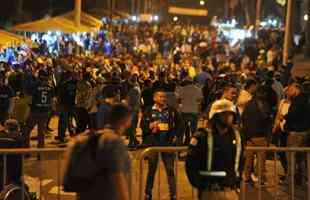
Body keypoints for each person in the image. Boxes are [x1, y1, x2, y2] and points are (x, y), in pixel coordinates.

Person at [185, 99, 242, 200]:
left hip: (231, 191)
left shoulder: (237, 137)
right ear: (215, 116)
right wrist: (199, 185)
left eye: (231, 114)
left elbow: (240, 161)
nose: (228, 117)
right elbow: (190, 163)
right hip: (210, 191)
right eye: (224, 114)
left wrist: (237, 182)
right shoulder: (202, 136)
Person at [75, 104, 132, 200]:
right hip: (106, 194)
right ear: (125, 120)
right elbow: (118, 176)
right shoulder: (114, 141)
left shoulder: (94, 136)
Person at [140, 89, 184, 200]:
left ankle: (173, 194)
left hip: (167, 145)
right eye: (160, 96)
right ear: (154, 98)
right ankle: (148, 193)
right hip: (153, 146)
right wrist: (150, 127)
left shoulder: (171, 110)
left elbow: (180, 124)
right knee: (151, 170)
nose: (163, 99)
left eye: (164, 97)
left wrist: (175, 137)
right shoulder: (149, 110)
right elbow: (143, 125)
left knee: (170, 170)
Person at [242, 85, 273, 184]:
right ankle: (260, 178)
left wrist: (246, 136)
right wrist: (268, 137)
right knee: (261, 160)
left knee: (249, 159)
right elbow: (268, 121)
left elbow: (244, 119)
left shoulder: (248, 104)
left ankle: (247, 177)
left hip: (250, 136)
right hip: (261, 136)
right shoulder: (265, 105)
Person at [284, 82, 310, 185]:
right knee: (301, 157)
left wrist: (285, 116)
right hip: (304, 131)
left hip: (296, 132)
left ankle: (290, 179)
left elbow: (294, 114)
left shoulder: (298, 101)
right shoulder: (305, 99)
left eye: (290, 90)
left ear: (296, 89)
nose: (288, 93)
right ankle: (303, 179)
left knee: (291, 156)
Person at [23, 69, 55, 148]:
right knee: (41, 132)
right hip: (45, 111)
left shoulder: (34, 85)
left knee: (26, 131)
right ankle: (40, 153)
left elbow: (30, 99)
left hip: (35, 111)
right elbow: (52, 100)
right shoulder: (50, 86)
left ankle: (26, 150)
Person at [178, 77, 203, 145]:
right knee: (193, 128)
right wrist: (199, 111)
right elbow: (200, 101)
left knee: (185, 126)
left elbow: (179, 100)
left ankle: (186, 139)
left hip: (184, 111)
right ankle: (193, 142)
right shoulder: (198, 89)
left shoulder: (182, 89)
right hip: (194, 110)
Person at [56, 70, 77, 144]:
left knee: (66, 120)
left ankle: (63, 135)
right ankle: (62, 136)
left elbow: (60, 94)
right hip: (67, 104)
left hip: (68, 104)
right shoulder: (68, 84)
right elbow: (60, 94)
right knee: (66, 120)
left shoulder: (65, 84)